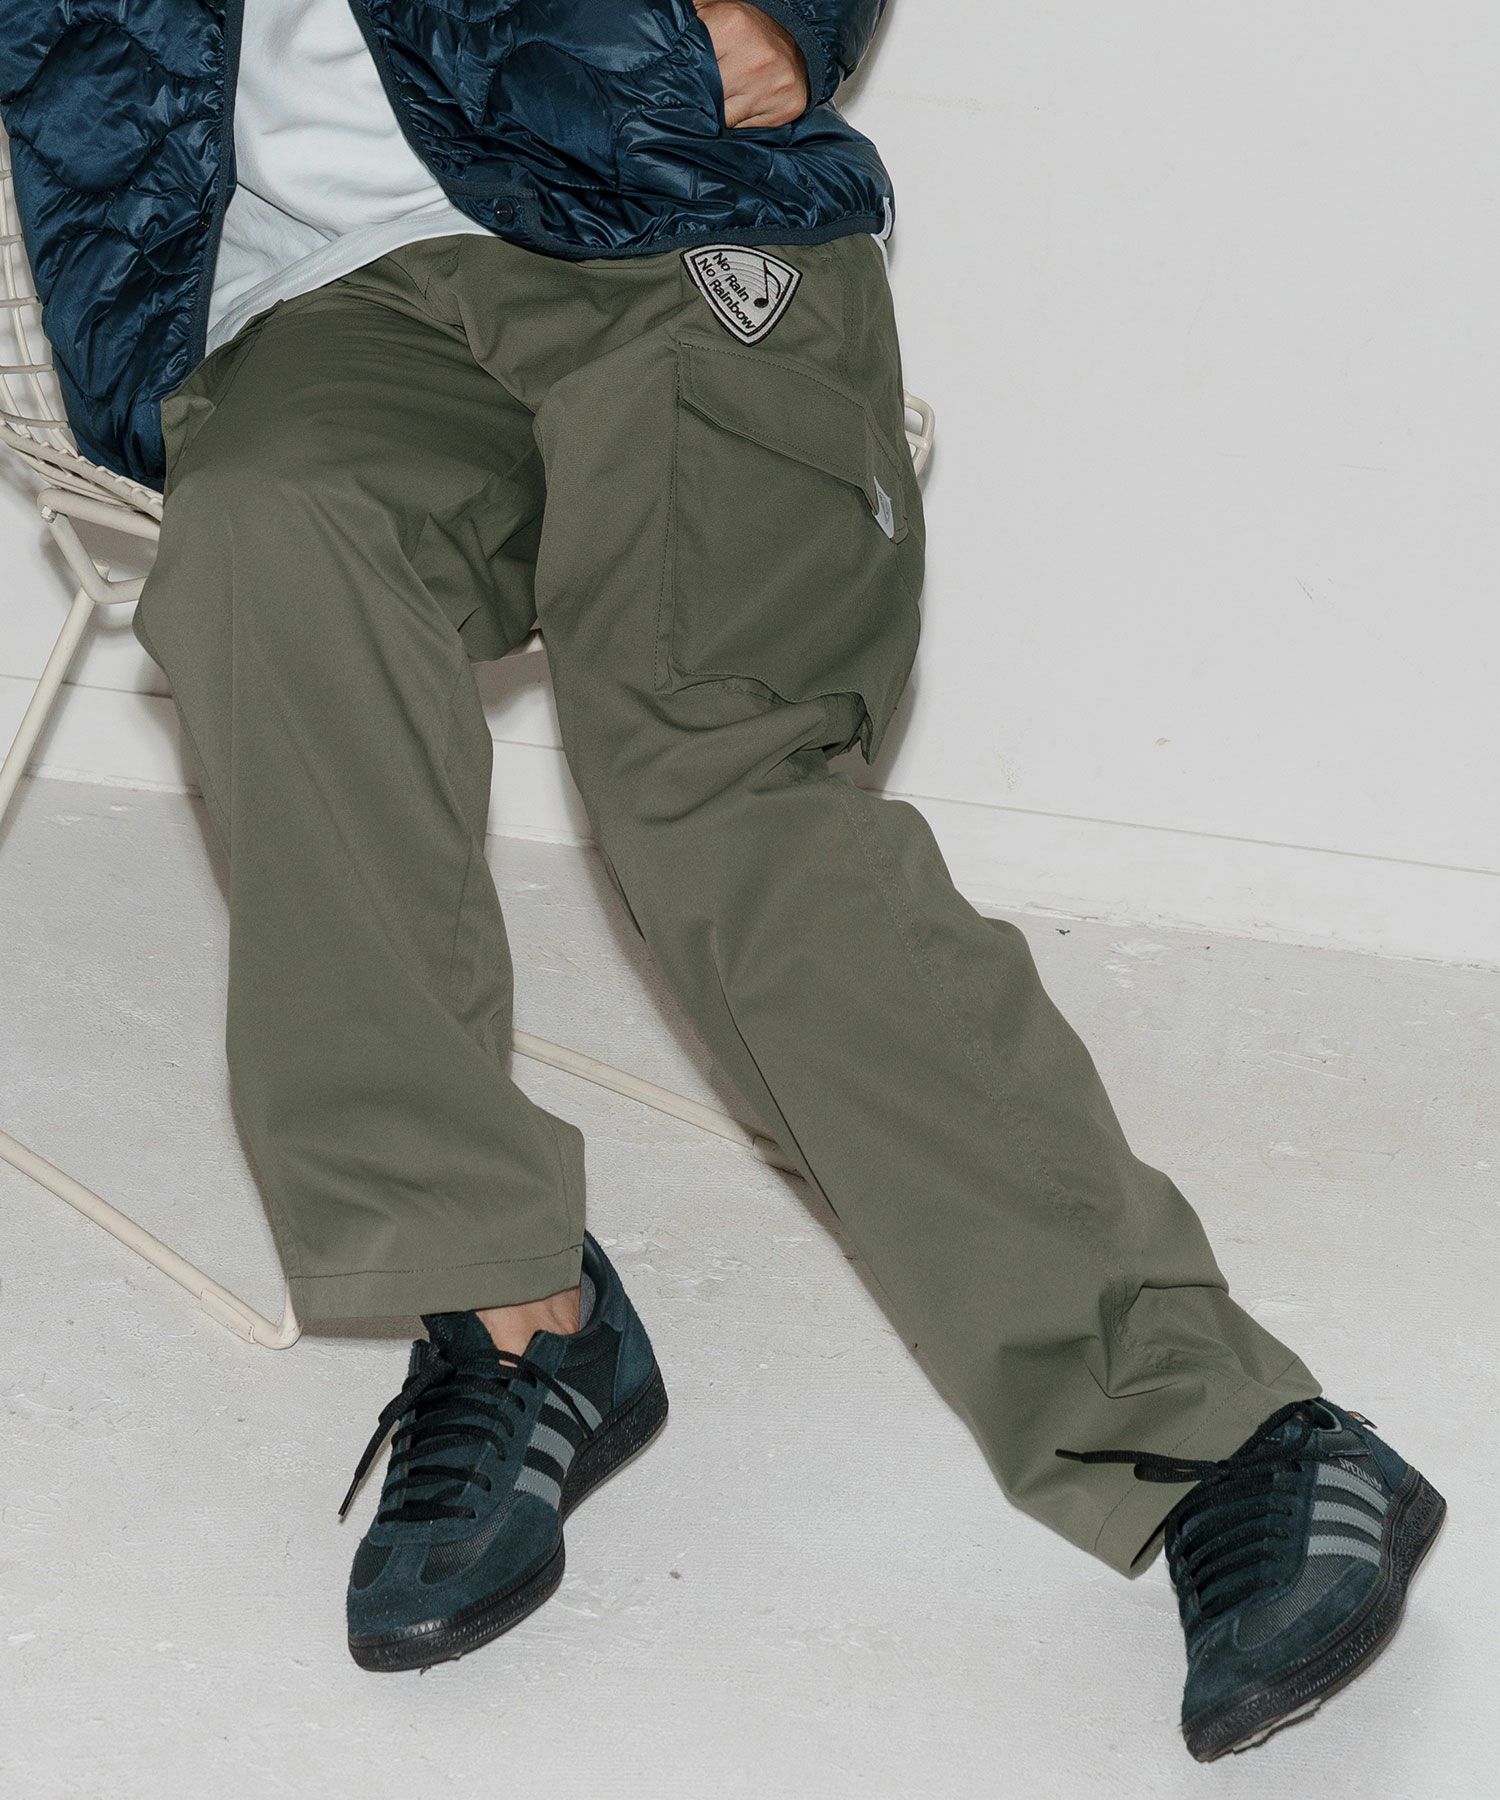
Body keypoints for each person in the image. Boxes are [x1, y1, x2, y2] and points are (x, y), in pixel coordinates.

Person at [1, 0, 1443, 1760]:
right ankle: (515, 1312)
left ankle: (1214, 1424)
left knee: (708, 767)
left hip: (649, 203)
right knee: (264, 558)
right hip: (313, 309)